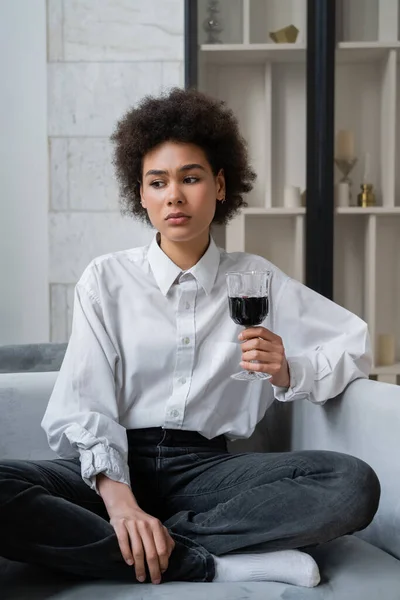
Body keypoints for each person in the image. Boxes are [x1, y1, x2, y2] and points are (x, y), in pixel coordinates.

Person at [0, 88, 380, 589]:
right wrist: (122, 506)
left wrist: (289, 370)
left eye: (191, 178)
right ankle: (212, 563)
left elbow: (355, 343)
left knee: (351, 484)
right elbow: (86, 401)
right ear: (141, 195)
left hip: (208, 474)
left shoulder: (257, 279)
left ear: (220, 186)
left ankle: (133, 548)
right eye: (157, 182)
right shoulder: (106, 279)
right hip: (112, 468)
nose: (174, 195)